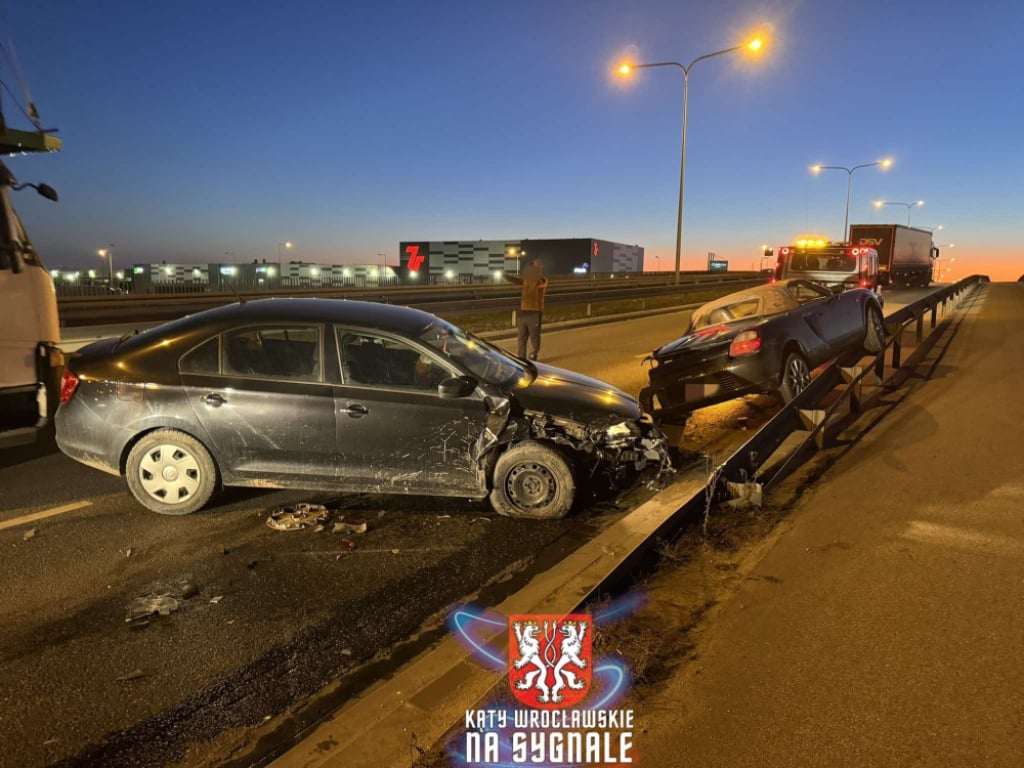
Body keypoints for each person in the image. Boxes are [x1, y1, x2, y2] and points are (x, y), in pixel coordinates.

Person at [505, 257, 548, 360]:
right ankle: (521, 358)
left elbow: (540, 281)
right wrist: (505, 275)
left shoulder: (542, 280)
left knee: (534, 337)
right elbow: (514, 280)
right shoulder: (525, 280)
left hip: (535, 312)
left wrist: (536, 266)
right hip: (523, 311)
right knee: (521, 337)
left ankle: (534, 354)